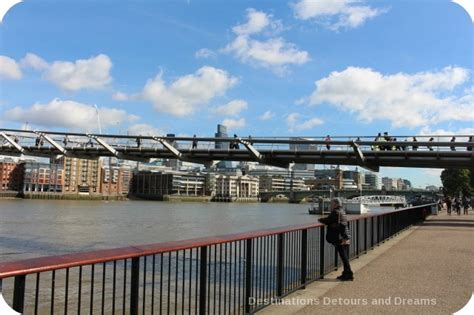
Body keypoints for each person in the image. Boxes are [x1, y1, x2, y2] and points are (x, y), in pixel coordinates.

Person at [318, 198, 353, 281]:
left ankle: (349, 274)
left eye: (332, 203)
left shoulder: (335, 212)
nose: (331, 205)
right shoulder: (342, 211)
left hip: (340, 236)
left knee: (343, 256)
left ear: (336, 204)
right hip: (345, 235)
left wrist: (320, 220)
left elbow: (328, 220)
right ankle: (346, 273)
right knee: (345, 256)